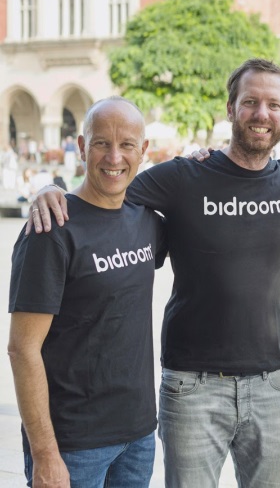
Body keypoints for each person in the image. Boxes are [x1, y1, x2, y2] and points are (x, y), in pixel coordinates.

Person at [27, 59, 280, 488]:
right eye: (250, 101)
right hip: (192, 385)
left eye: (273, 104)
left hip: (271, 384)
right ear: (230, 108)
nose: (261, 113)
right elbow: (107, 187)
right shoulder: (184, 176)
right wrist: (49, 189)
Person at [7, 97, 167, 487]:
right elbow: (22, 349)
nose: (114, 157)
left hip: (139, 436)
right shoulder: (51, 229)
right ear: (81, 147)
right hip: (73, 444)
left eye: (127, 144)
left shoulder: (147, 221)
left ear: (143, 150)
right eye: (101, 143)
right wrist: (45, 454)